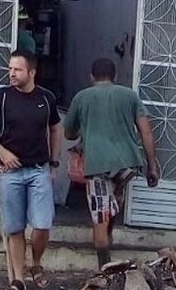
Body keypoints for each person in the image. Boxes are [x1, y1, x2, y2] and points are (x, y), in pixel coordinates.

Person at [0, 49, 63, 290]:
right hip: (10, 173)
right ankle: (18, 279)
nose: (12, 74)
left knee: (42, 225)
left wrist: (54, 162)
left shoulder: (46, 98)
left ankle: (36, 263)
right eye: (10, 69)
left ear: (32, 72)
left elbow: (56, 127)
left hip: (38, 170)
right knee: (14, 228)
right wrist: (1, 151)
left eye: (17, 69)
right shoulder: (1, 97)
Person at [64, 58, 159, 268]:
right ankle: (109, 234)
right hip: (128, 165)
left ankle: (103, 268)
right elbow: (146, 131)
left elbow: (68, 133)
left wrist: (85, 130)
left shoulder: (82, 97)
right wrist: (152, 165)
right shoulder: (130, 96)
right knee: (113, 199)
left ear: (91, 77)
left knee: (100, 214)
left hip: (98, 166)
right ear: (114, 77)